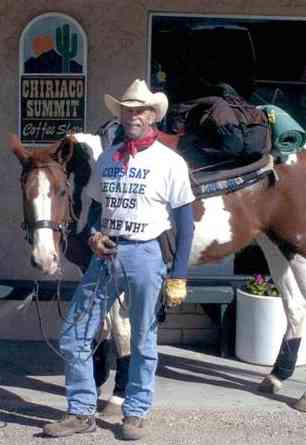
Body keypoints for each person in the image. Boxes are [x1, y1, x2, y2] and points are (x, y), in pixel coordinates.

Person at [43, 79, 195, 441]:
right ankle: (81, 411)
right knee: (74, 335)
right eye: (127, 109)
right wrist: (93, 234)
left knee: (143, 339)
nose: (133, 115)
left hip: (145, 254)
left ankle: (135, 412)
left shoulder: (169, 162)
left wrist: (179, 276)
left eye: (140, 110)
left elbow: (186, 225)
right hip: (105, 255)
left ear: (152, 115)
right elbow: (95, 208)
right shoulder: (108, 158)